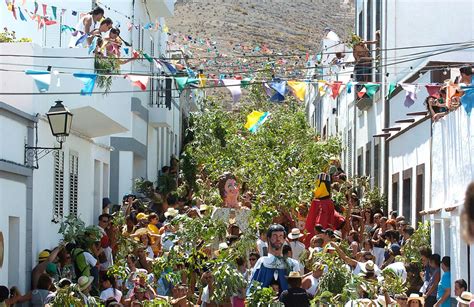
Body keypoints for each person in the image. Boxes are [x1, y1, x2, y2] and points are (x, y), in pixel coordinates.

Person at [248, 224, 300, 293]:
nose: (278, 239)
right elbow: (253, 288)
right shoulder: (263, 262)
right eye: (275, 236)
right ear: (268, 238)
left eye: (281, 236)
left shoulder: (293, 264)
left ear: (284, 239)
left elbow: (297, 290)